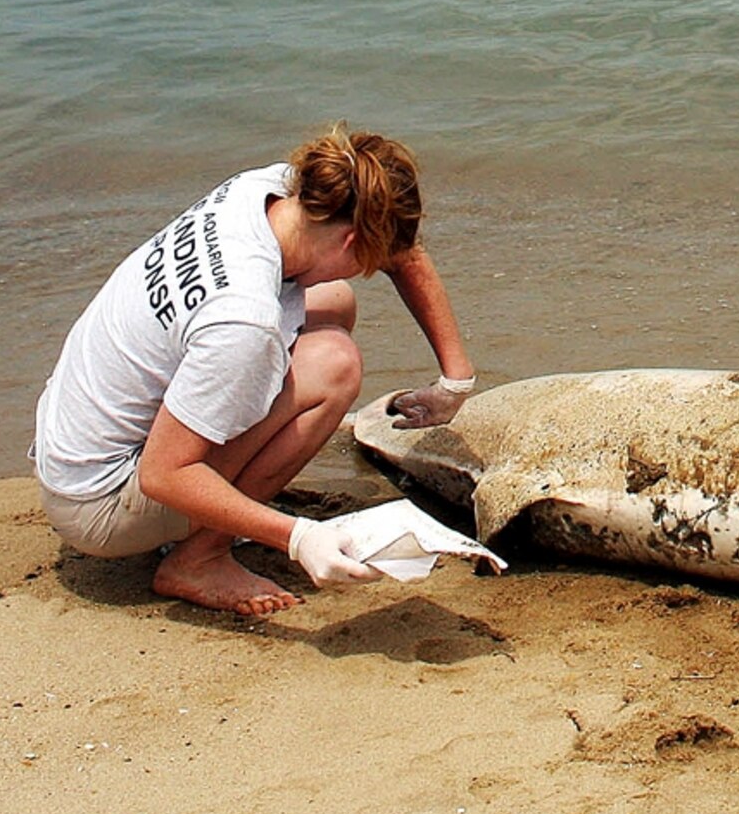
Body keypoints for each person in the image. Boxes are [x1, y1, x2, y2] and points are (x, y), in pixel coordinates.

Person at [32, 126, 482, 616]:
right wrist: (300, 537)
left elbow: (401, 249)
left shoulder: (271, 189)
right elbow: (163, 474)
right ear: (351, 239)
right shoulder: (243, 319)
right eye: (364, 261)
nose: (368, 269)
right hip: (99, 501)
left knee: (333, 300)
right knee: (333, 365)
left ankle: (220, 512)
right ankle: (200, 558)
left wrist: (454, 381)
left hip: (69, 445)